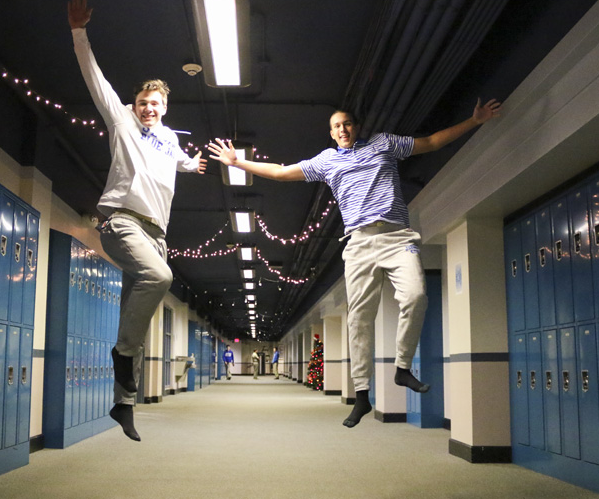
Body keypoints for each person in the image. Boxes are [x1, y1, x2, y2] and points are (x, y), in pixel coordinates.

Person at [208, 98, 502, 427]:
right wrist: (238, 162)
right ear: (331, 133)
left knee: (416, 296)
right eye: (336, 126)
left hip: (397, 237)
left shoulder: (383, 143)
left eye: (347, 123)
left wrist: (475, 120)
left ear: (357, 126)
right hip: (359, 243)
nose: (342, 129)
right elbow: (280, 172)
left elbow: (431, 142)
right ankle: (362, 394)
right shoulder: (327, 161)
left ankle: (402, 368)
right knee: (359, 318)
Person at [68, 0, 207, 441]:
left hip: (156, 233)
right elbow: (94, 78)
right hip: (122, 221)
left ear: (165, 107)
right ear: (135, 104)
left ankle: (122, 404)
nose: (149, 108)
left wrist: (192, 165)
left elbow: (178, 161)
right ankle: (122, 358)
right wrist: (79, 32)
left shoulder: (168, 139)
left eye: (156, 103)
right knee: (160, 278)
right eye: (144, 102)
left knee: (138, 319)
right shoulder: (122, 121)